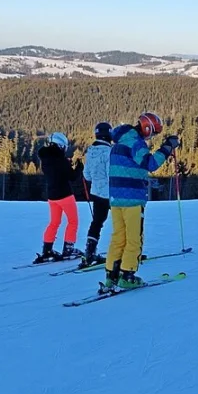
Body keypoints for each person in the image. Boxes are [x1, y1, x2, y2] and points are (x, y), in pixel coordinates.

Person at [102, 112, 180, 290]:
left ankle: (111, 276)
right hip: (132, 198)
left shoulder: (120, 141)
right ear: (147, 128)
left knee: (118, 237)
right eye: (152, 133)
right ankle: (127, 276)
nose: (151, 137)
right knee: (134, 239)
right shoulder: (135, 142)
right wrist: (167, 147)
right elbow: (150, 163)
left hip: (116, 198)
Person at [35, 132, 84, 263]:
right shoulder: (61, 160)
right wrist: (79, 168)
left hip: (52, 196)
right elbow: (72, 177)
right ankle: (68, 249)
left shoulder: (45, 159)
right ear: (61, 146)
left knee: (54, 222)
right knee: (73, 221)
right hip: (65, 195)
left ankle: (47, 250)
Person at [80, 121, 113, 267]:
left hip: (96, 192)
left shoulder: (90, 151)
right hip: (110, 193)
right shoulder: (109, 152)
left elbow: (86, 175)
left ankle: (90, 252)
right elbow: (110, 175)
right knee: (122, 221)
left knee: (97, 222)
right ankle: (126, 251)